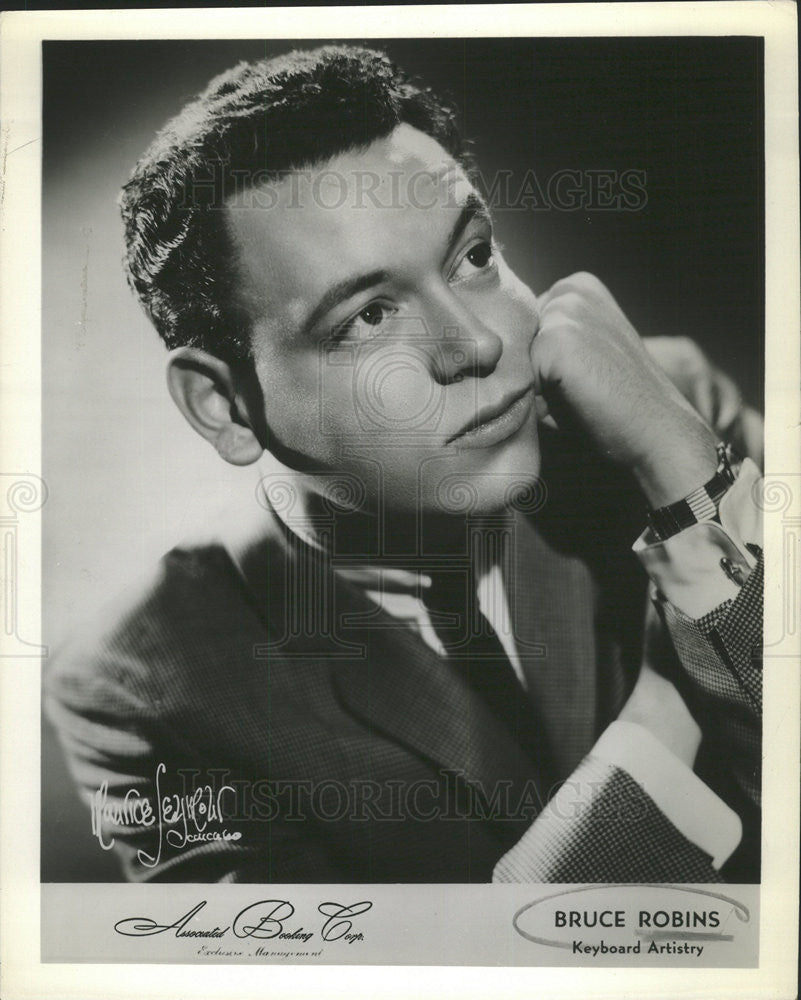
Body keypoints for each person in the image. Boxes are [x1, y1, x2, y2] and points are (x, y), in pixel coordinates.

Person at [45, 45, 763, 884]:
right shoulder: (142, 687)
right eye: (369, 316)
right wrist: (677, 692)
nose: (476, 342)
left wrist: (687, 475)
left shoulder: (668, 412)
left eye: (473, 255)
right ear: (225, 406)